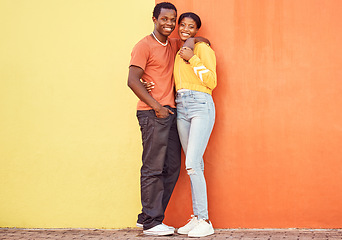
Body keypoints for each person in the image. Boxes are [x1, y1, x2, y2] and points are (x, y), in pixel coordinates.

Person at [127, 2, 209, 236]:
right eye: (164, 19)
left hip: (171, 113)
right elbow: (133, 79)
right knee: (153, 167)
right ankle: (152, 223)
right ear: (154, 19)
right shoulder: (144, 45)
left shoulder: (174, 43)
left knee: (172, 167)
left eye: (173, 20)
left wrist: (191, 42)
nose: (170, 24)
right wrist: (156, 107)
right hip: (153, 113)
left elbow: (203, 40)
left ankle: (148, 216)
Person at [174, 12, 217, 237]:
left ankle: (205, 221)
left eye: (191, 27)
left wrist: (193, 57)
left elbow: (212, 80)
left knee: (191, 164)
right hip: (181, 108)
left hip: (201, 104)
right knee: (194, 166)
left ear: (197, 30)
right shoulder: (176, 50)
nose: (186, 29)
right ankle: (197, 216)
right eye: (183, 25)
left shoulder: (202, 50)